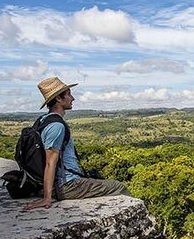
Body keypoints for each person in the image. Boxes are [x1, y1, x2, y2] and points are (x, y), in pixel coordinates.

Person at [25, 76, 130, 210]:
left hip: (61, 182)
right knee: (119, 187)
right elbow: (50, 162)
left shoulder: (43, 120)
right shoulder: (57, 126)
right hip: (67, 185)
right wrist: (47, 198)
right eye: (69, 94)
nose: (72, 98)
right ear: (58, 98)